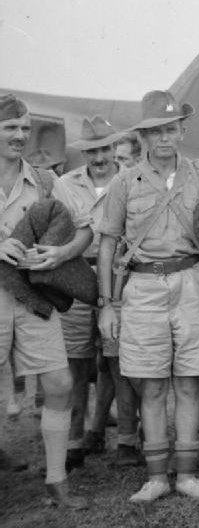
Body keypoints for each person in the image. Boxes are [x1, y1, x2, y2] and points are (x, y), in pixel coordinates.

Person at [97, 90, 199, 502]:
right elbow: (106, 245)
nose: (164, 139)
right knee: (150, 385)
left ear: (182, 130)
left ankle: (187, 474)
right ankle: (155, 477)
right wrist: (107, 305)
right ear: (142, 138)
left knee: (189, 381)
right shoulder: (124, 181)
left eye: (170, 129)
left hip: (190, 283)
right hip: (142, 288)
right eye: (155, 132)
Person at [0, 94, 93, 508]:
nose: (19, 136)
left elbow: (86, 230)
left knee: (59, 384)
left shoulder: (43, 180)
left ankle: (57, 482)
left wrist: (61, 253)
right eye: (9, 129)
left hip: (33, 299)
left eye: (24, 128)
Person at [59, 116, 141, 470]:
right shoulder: (63, 185)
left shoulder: (132, 179)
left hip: (118, 275)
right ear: (83, 152)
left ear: (114, 149)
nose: (99, 157)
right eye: (91, 150)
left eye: (105, 148)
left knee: (118, 360)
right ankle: (74, 441)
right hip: (77, 274)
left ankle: (125, 440)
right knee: (75, 363)